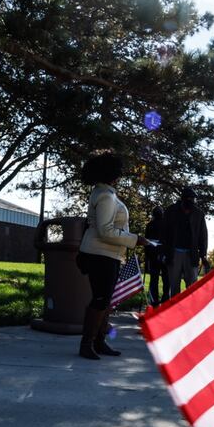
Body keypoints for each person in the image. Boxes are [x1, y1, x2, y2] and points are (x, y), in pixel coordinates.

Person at [75, 150, 146, 360]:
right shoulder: (105, 195)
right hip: (100, 255)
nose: (120, 175)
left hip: (108, 255)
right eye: (117, 172)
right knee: (100, 299)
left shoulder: (105, 192)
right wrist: (135, 239)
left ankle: (98, 342)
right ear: (110, 173)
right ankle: (86, 344)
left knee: (105, 300)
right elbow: (105, 231)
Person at [162, 186, 208, 299]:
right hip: (174, 253)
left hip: (191, 254)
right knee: (174, 287)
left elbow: (203, 235)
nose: (192, 201)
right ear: (183, 199)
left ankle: (190, 313)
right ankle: (174, 313)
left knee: (192, 288)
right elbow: (163, 233)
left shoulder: (199, 214)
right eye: (189, 199)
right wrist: (163, 252)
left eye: (193, 199)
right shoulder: (170, 211)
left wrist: (203, 254)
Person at [143, 205, 167, 305]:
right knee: (164, 279)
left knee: (157, 279)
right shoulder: (164, 225)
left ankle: (155, 302)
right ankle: (163, 300)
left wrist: (147, 256)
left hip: (156, 255)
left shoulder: (150, 225)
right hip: (160, 255)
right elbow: (147, 242)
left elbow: (146, 242)